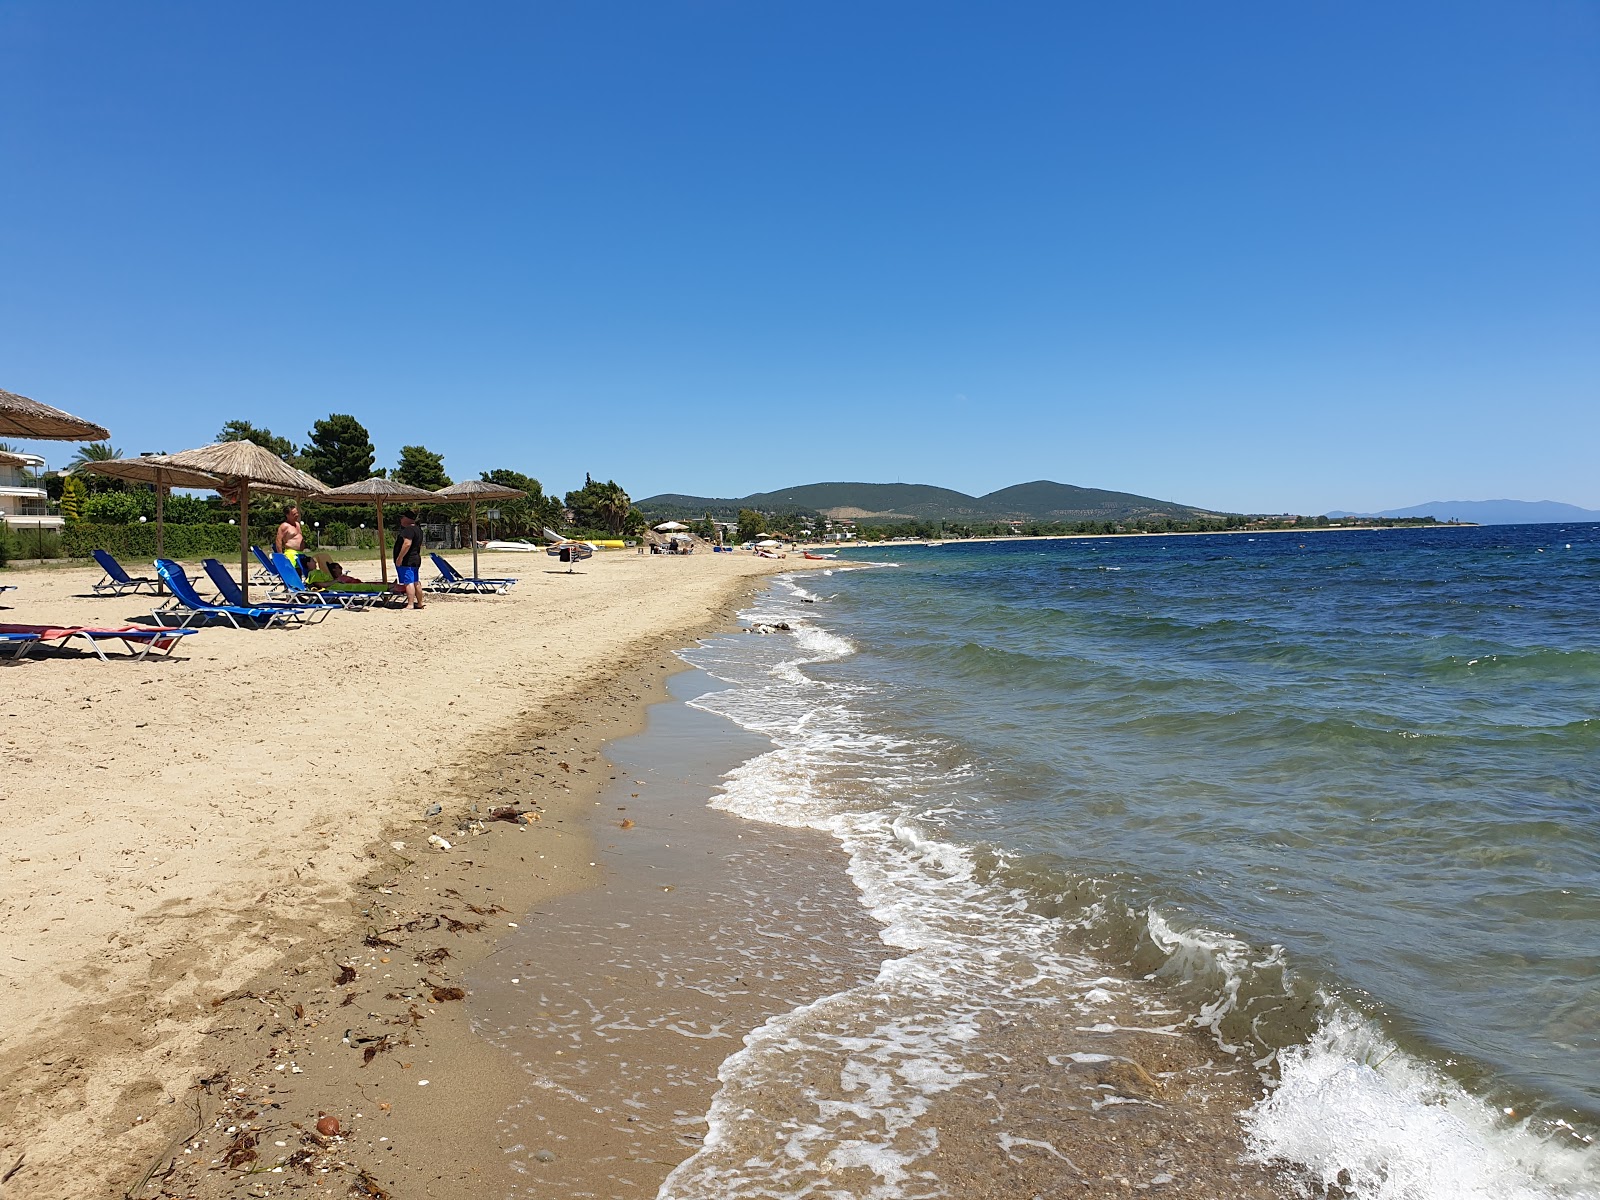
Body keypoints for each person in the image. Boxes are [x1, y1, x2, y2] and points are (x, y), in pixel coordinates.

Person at [393, 511, 425, 610]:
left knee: (408, 582)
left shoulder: (408, 530)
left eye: (402, 517)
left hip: (407, 560)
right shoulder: (418, 530)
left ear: (407, 519)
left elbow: (407, 544)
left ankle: (410, 604)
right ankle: (419, 603)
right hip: (415, 558)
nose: (401, 520)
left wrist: (400, 558)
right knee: (416, 581)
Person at [275, 504, 307, 569]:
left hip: (300, 553)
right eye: (294, 514)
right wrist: (281, 556)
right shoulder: (284, 526)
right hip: (291, 553)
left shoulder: (297, 524)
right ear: (287, 515)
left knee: (301, 573)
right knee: (294, 574)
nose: (297, 515)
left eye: (297, 513)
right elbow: (278, 541)